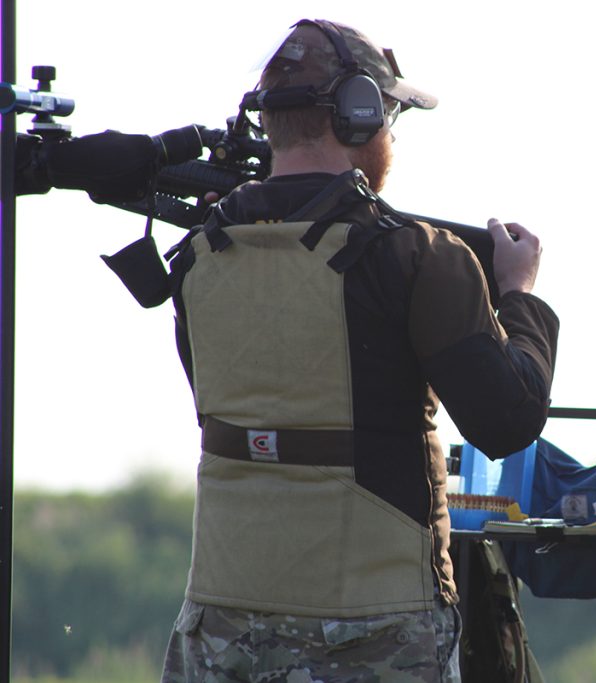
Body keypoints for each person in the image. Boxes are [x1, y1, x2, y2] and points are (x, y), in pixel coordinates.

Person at [157, 19, 559, 682]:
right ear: (358, 113)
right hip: (374, 623)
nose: (391, 136)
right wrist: (519, 295)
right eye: (390, 116)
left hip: (218, 621)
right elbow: (506, 418)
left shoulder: (199, 256)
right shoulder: (417, 256)